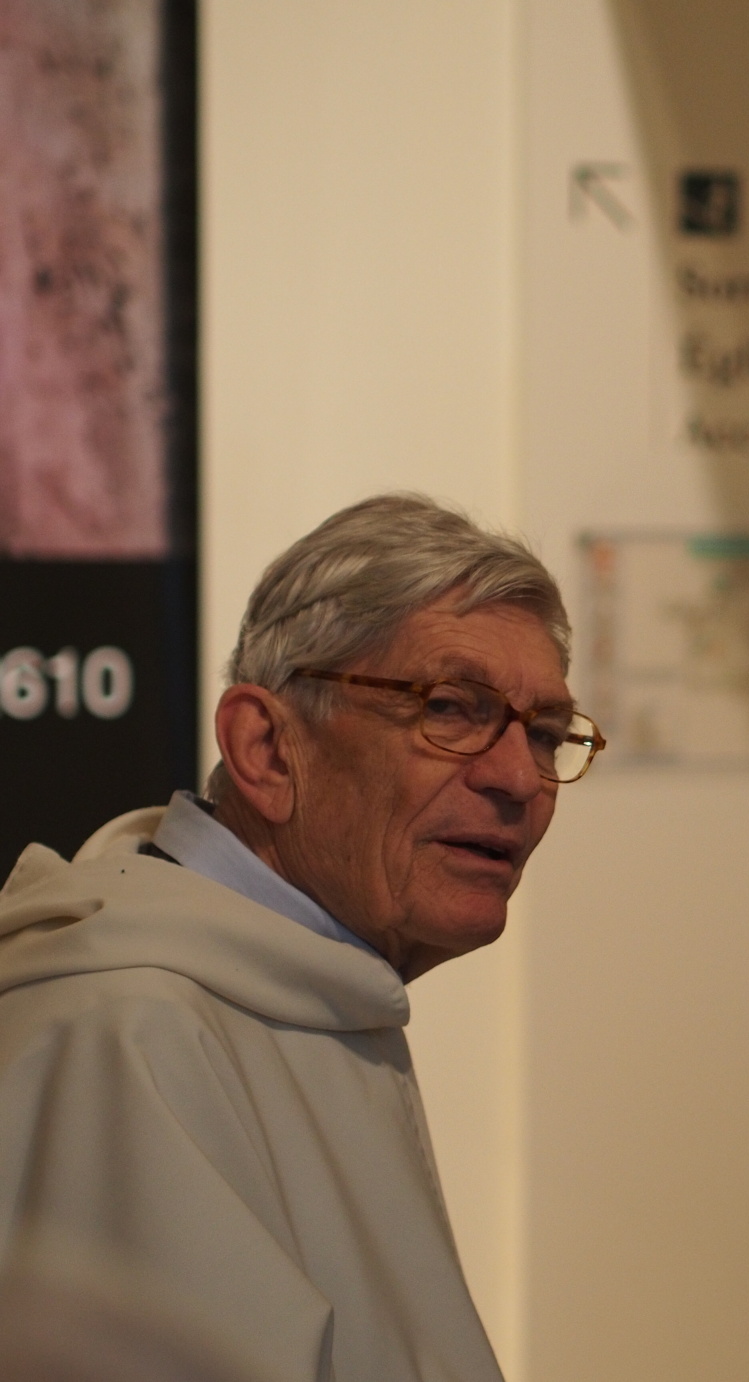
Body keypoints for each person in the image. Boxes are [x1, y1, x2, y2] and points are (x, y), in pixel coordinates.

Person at [0, 493, 604, 1382]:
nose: (519, 777)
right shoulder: (128, 1034)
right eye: (451, 708)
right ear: (267, 749)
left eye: (545, 734)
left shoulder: (314, 989)